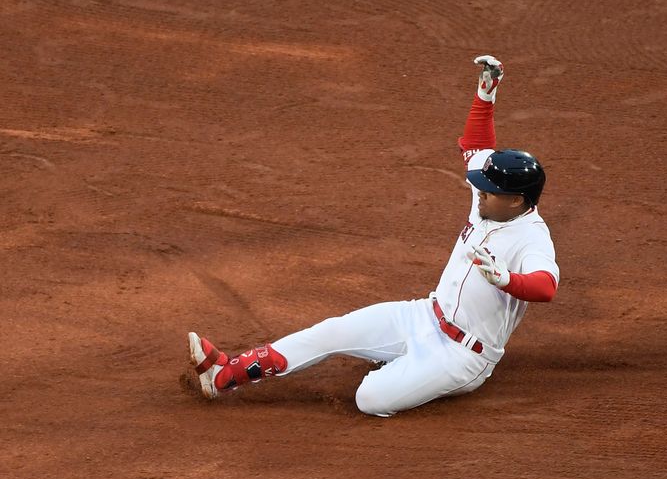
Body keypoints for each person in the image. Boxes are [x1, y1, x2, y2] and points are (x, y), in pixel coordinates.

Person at [187, 55, 559, 417]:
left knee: (369, 399)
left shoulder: (531, 237)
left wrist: (505, 279)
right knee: (329, 333)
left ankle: (404, 369)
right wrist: (485, 95)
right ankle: (225, 374)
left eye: (488, 190)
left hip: (463, 355)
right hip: (423, 316)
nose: (478, 192)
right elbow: (477, 149)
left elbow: (546, 286)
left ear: (515, 200)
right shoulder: (491, 202)